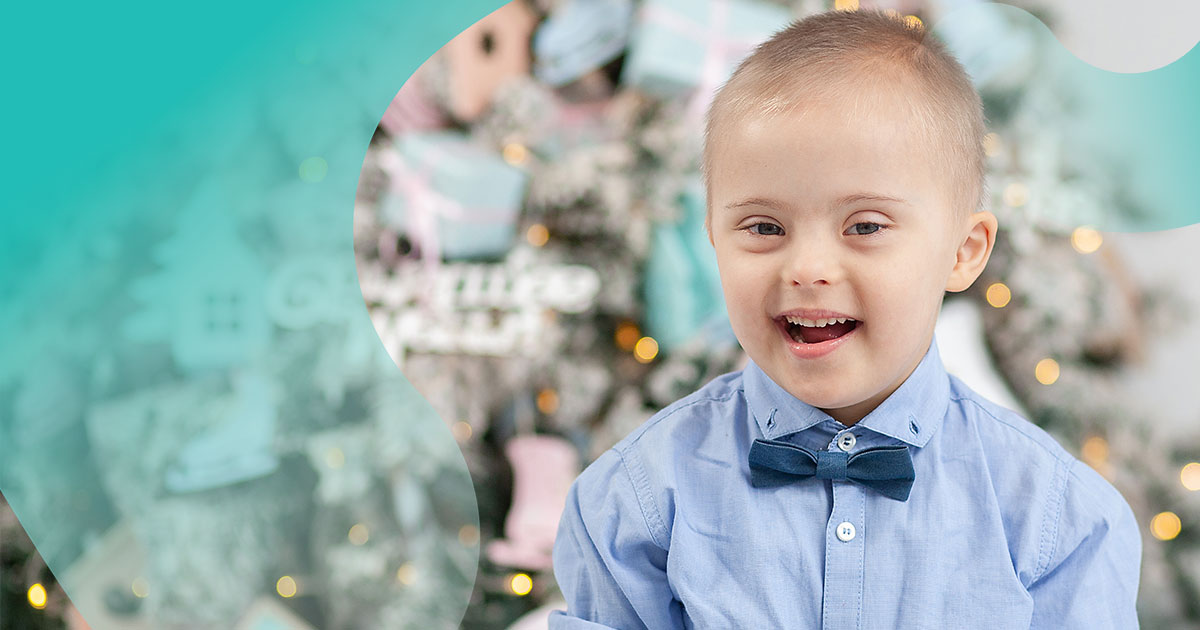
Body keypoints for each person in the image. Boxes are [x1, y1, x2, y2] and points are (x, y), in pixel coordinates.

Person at [549, 8, 1142, 629]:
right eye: (764, 227)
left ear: (963, 253)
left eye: (865, 226)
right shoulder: (634, 501)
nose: (806, 268)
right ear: (715, 241)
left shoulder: (1060, 518)